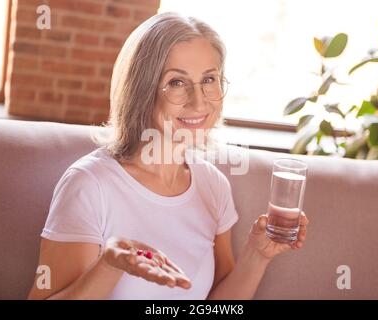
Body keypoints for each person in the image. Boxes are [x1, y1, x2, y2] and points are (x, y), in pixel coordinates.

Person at [28, 12, 309, 300]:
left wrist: (257, 255)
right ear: (141, 91)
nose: (199, 101)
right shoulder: (89, 185)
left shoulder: (213, 185)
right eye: (177, 82)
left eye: (209, 79)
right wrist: (110, 267)